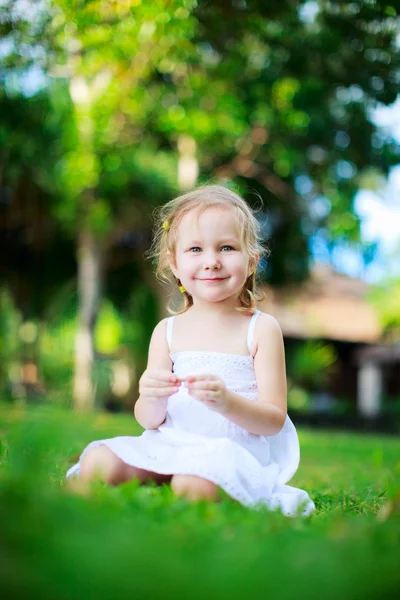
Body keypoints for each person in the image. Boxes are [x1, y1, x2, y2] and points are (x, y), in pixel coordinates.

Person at [67, 185, 315, 516]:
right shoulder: (167, 332)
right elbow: (149, 419)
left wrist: (227, 402)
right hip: (169, 447)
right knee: (99, 463)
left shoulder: (261, 328)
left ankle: (182, 486)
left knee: (193, 483)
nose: (211, 262)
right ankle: (161, 479)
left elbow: (273, 420)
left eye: (226, 247)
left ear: (252, 261)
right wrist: (151, 396)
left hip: (230, 455)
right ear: (174, 263)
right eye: (195, 249)